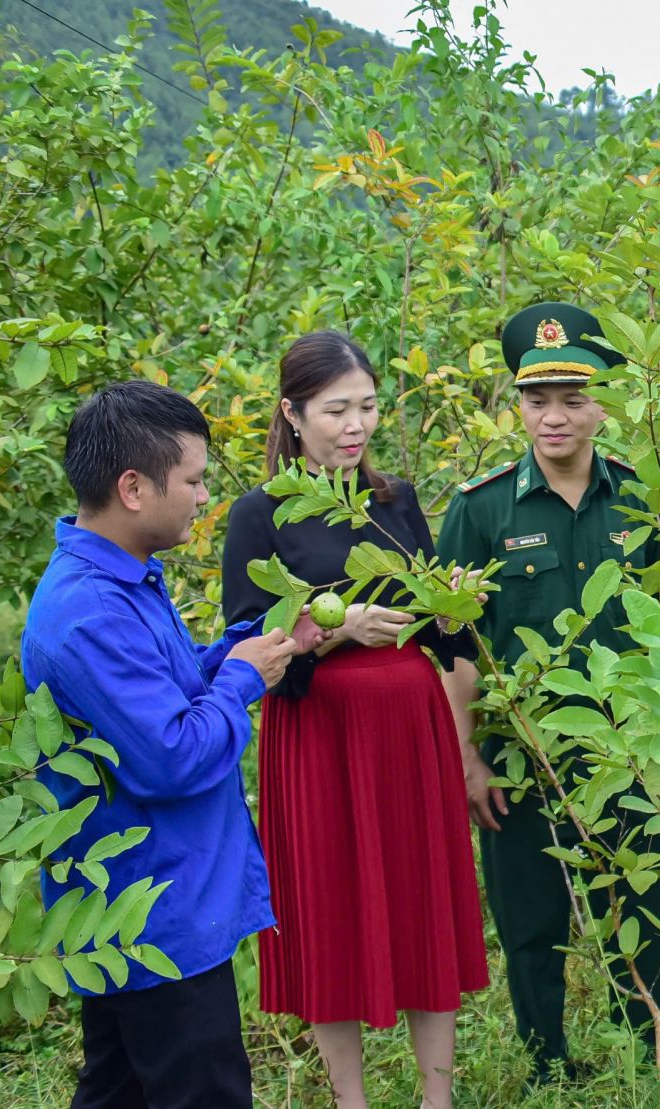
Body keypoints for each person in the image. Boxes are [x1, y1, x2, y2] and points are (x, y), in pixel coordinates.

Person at [22, 379, 322, 1109]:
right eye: (192, 479)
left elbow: (170, 684)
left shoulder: (122, 581)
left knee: (118, 1089)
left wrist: (253, 647)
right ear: (133, 486)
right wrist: (243, 683)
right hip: (153, 910)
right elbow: (173, 754)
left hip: (145, 903)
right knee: (202, 1092)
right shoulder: (90, 611)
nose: (201, 496)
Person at [220, 332, 488, 1109]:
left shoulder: (396, 502)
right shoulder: (257, 516)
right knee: (331, 909)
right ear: (292, 414)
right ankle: (351, 1100)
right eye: (336, 409)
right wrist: (337, 628)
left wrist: (454, 601)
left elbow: (444, 634)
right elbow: (248, 645)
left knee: (419, 899)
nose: (355, 425)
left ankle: (437, 1097)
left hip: (409, 734)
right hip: (322, 738)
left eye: (367, 406)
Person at [436, 302, 660, 1089]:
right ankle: (546, 1065)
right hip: (520, 747)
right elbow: (458, 646)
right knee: (530, 915)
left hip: (624, 745)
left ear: (603, 401)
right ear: (519, 404)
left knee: (639, 908)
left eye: (574, 397)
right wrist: (469, 755)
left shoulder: (641, 497)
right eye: (538, 399)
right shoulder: (480, 508)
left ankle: (646, 1055)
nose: (555, 416)